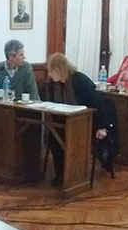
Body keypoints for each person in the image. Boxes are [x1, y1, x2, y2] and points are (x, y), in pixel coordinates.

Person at [43, 53, 110, 184]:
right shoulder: (53, 84)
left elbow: (99, 104)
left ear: (60, 69)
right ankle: (60, 174)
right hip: (64, 120)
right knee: (54, 137)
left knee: (71, 139)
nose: (50, 74)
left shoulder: (79, 81)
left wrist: (102, 127)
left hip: (85, 122)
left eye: (51, 71)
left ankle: (75, 175)